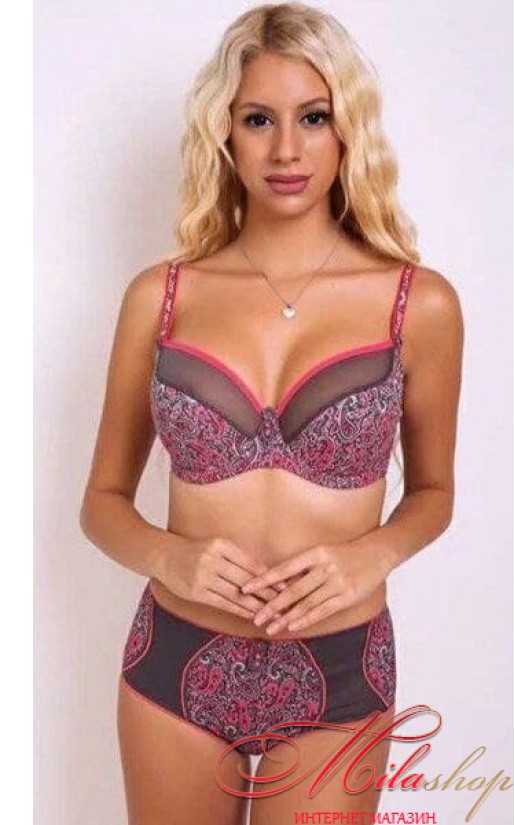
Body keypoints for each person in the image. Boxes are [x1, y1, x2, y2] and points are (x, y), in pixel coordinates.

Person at [79, 3, 464, 822]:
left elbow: (434, 492)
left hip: (339, 670)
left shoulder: (417, 303)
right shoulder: (161, 298)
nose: (286, 150)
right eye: (259, 119)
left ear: (347, 128)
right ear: (225, 131)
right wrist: (169, 556)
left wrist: (372, 555)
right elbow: (101, 503)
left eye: (313, 117)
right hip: (175, 662)